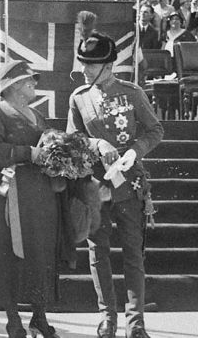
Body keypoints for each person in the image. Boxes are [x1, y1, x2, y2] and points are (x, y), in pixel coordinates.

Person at [67, 32, 164, 338]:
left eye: (92, 65)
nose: (85, 70)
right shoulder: (79, 98)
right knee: (98, 254)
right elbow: (74, 138)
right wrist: (96, 143)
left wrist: (135, 150)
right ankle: (107, 318)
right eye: (83, 63)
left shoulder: (133, 93)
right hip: (96, 187)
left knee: (134, 254)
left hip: (130, 184)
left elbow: (155, 129)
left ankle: (136, 324)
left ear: (108, 66)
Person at [0, 61, 62, 338]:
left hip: (40, 198)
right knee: (11, 254)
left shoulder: (37, 115)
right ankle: (13, 318)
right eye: (29, 81)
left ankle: (39, 316)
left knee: (40, 256)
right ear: (13, 86)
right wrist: (30, 153)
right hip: (11, 198)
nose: (34, 85)